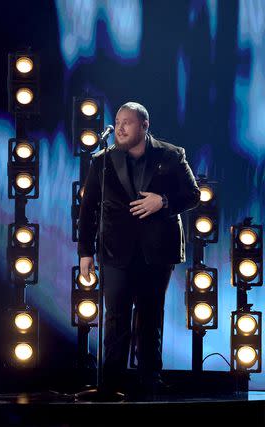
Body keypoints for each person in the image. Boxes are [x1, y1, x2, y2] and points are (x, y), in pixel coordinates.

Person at [77, 102, 200, 396]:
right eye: (117, 121)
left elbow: (193, 194)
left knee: (150, 315)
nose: (120, 127)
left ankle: (149, 380)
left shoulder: (171, 156)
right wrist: (85, 253)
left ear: (144, 126)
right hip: (115, 250)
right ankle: (112, 382)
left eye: (127, 122)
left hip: (157, 251)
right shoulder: (102, 162)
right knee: (115, 317)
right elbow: (88, 208)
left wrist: (164, 201)